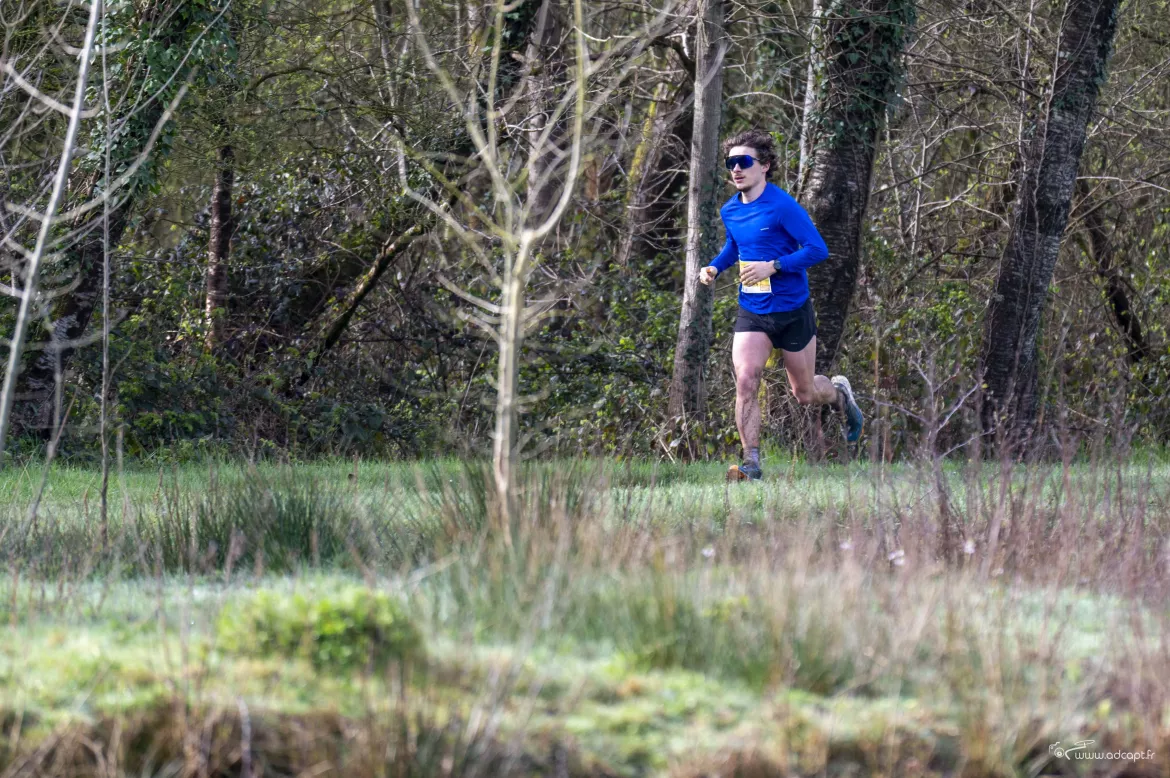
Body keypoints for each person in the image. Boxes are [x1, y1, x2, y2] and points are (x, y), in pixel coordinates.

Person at [699, 129, 863, 481]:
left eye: (744, 161)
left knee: (804, 394)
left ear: (765, 166)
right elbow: (734, 247)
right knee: (746, 379)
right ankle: (751, 463)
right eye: (731, 163)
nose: (736, 169)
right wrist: (715, 266)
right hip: (753, 309)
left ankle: (839, 395)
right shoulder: (730, 210)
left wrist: (774, 266)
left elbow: (817, 250)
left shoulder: (783, 206)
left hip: (791, 310)